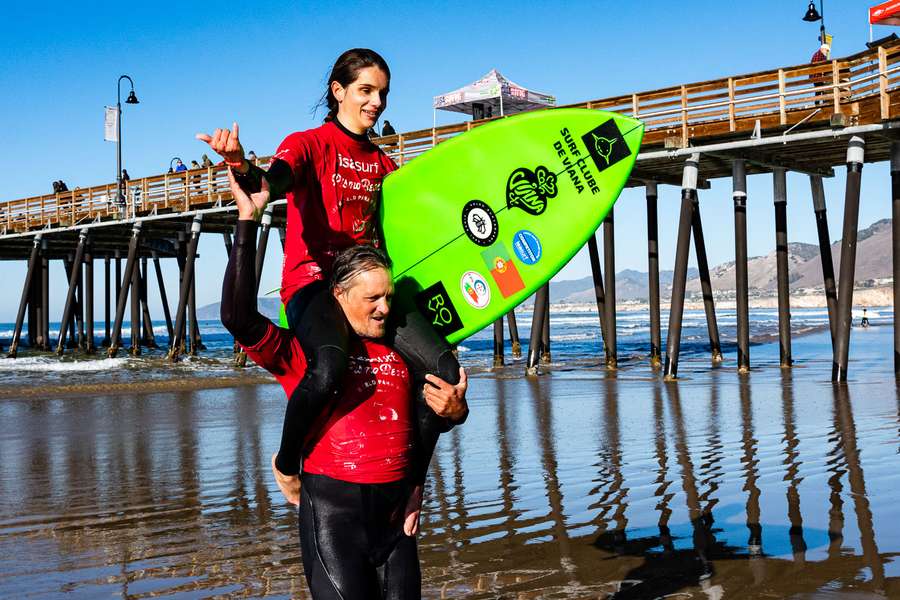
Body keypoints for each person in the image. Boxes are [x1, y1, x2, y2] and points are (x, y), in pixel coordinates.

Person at [197, 48, 462, 490]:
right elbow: (271, 181)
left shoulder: (383, 165)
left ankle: (411, 484)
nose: (376, 102)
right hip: (313, 283)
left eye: (383, 93)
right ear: (338, 91)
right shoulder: (308, 144)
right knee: (328, 369)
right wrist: (241, 166)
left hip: (368, 287)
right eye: (366, 90)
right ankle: (286, 465)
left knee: (446, 375)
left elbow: (407, 230)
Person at [220, 170, 467, 598]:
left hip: (397, 524)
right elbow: (238, 318)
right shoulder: (305, 355)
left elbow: (433, 415)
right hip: (335, 522)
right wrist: (247, 222)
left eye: (388, 297)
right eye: (373, 299)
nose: (384, 309)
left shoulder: (401, 353)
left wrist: (456, 412)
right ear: (338, 295)